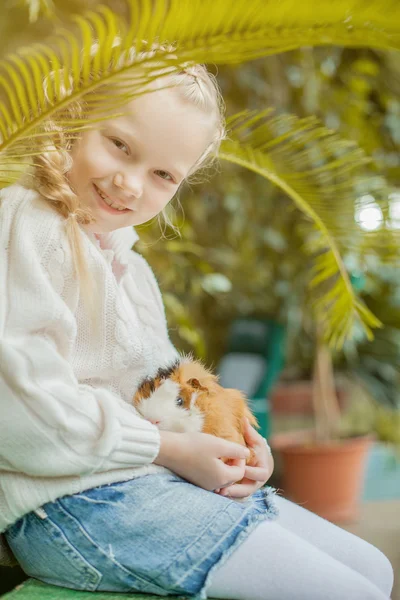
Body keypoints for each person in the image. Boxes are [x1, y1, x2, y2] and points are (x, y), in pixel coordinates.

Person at [0, 40, 394, 600]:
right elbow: (18, 407)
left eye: (163, 174)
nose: (131, 184)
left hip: (143, 484)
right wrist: (170, 451)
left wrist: (233, 444)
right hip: (74, 507)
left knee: (374, 569)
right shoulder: (28, 225)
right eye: (119, 146)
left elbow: (163, 396)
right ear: (72, 120)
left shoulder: (129, 269)